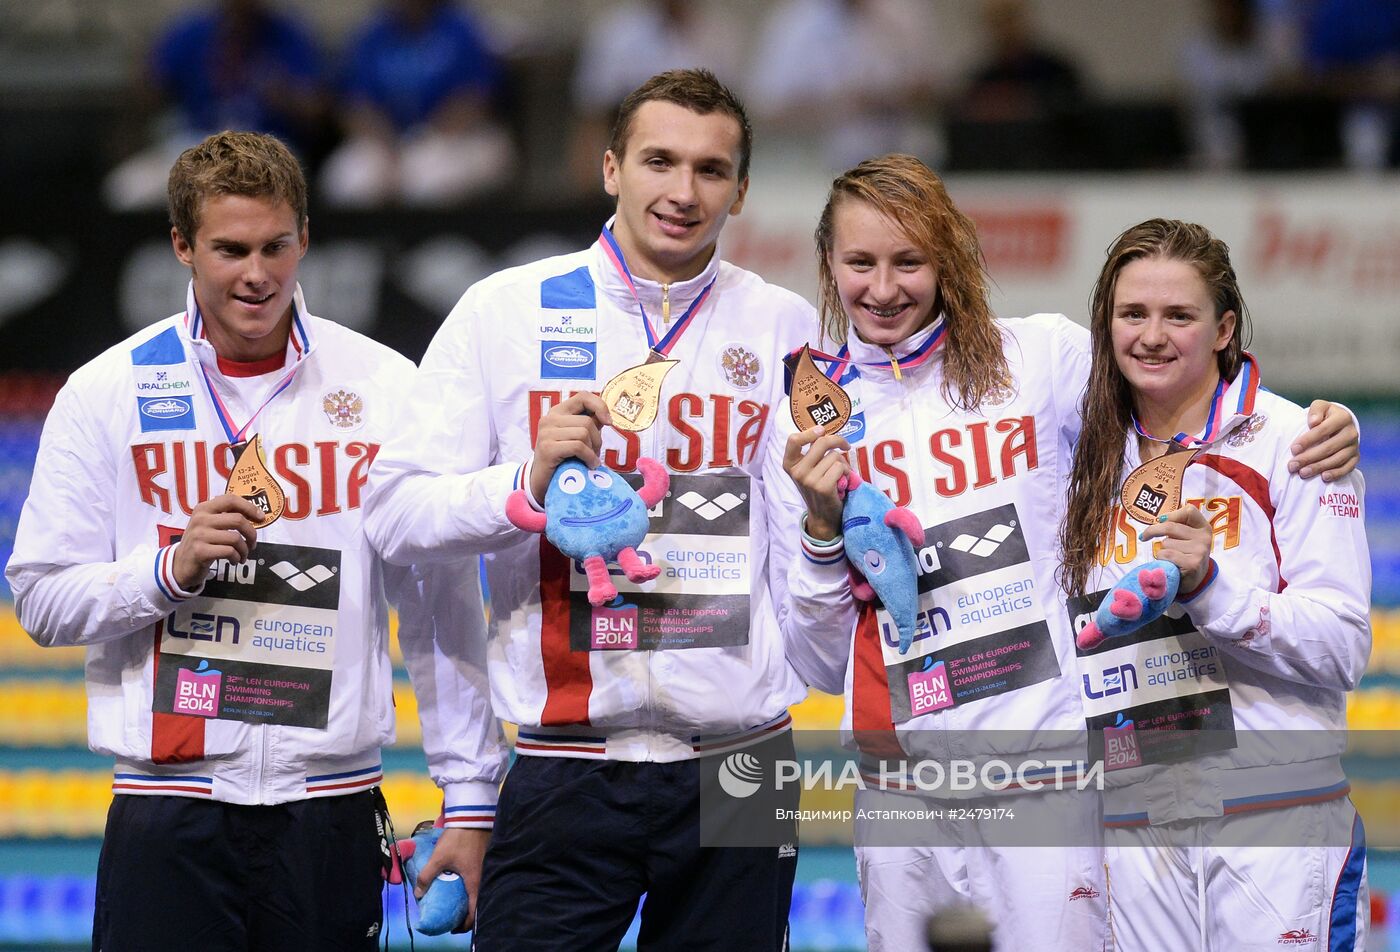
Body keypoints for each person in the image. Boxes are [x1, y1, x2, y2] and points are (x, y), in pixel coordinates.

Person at [776, 155, 1358, 951]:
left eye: (909, 261)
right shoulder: (809, 423)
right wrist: (817, 532)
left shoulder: (1041, 359)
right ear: (827, 266)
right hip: (900, 790)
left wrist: (1315, 424)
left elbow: (1176, 395)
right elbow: (813, 662)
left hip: (1050, 780)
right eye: (860, 262)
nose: (884, 288)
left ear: (949, 259)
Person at [5, 131, 504, 950]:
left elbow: (441, 606)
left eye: (276, 246)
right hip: (169, 810)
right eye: (230, 250)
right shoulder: (107, 392)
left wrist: (471, 795)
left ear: (305, 235)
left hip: (329, 811)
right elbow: (43, 599)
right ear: (181, 246)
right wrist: (166, 571)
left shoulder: (385, 388)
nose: (258, 274)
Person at [364, 69, 822, 951]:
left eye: (710, 170)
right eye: (659, 161)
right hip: (565, 762)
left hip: (745, 760)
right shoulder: (503, 313)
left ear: (742, 189)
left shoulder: (786, 326)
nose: (683, 193)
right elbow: (395, 514)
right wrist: (525, 487)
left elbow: (806, 549)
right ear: (611, 167)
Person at [1059, 218, 1371, 950]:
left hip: (1278, 819)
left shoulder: (1296, 446)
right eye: (1133, 314)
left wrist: (1211, 588)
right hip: (1135, 825)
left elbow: (1343, 646)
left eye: (1180, 316)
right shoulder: (1078, 452)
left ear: (1225, 327)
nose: (1152, 336)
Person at [319, 0, 515, 207]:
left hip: (454, 138)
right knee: (349, 180)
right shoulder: (372, 33)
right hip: (388, 141)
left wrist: (424, 140)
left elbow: (476, 98)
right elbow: (355, 105)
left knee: (426, 179)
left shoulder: (462, 28)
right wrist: (390, 150)